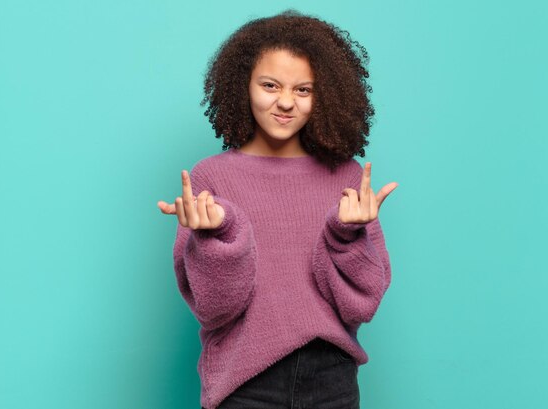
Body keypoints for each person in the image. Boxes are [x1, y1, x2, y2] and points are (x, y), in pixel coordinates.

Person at [157, 9, 398, 409]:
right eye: (270, 85)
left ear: (324, 95)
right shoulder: (210, 179)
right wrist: (217, 238)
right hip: (244, 382)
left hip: (332, 379)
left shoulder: (349, 178)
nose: (286, 102)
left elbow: (364, 303)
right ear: (243, 85)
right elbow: (213, 311)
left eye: (303, 90)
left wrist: (347, 237)